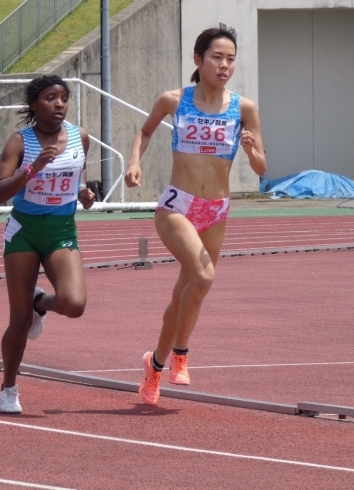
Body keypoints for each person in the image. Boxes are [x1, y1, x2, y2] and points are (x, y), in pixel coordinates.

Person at [125, 24, 266, 405]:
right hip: (177, 205)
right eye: (217, 57)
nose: (224, 66)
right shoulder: (174, 99)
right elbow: (145, 132)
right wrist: (134, 162)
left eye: (231, 59)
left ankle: (153, 367)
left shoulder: (244, 108)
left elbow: (262, 168)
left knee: (188, 293)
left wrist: (252, 151)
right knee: (203, 275)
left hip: (215, 210)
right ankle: (182, 356)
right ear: (198, 59)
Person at [0, 75, 96, 413]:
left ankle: (42, 304)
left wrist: (84, 194)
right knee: (19, 319)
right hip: (24, 230)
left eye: (63, 98)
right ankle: (9, 387)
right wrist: (32, 169)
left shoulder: (80, 138)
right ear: (35, 104)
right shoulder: (19, 142)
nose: (60, 104)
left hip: (62, 229)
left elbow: (77, 178)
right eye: (51, 98)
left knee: (74, 303)